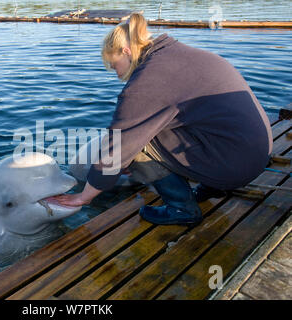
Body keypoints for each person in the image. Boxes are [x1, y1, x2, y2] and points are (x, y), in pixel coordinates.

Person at [53, 12, 273, 225]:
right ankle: (211, 187)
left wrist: (84, 197)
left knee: (136, 143)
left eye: (113, 64)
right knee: (151, 128)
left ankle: (181, 208)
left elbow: (118, 146)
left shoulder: (147, 81)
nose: (114, 71)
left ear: (127, 51)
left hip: (234, 165)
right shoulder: (177, 55)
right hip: (254, 154)